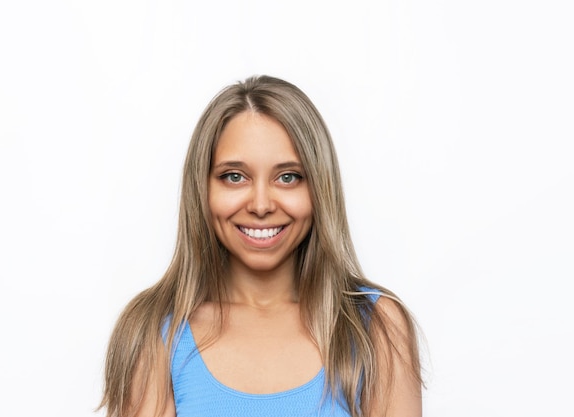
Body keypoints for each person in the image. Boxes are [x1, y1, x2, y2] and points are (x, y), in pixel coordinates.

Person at [99, 75, 423, 417]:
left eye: (288, 177)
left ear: (319, 190)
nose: (261, 204)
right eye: (234, 176)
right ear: (202, 189)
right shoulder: (157, 331)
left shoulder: (376, 327)